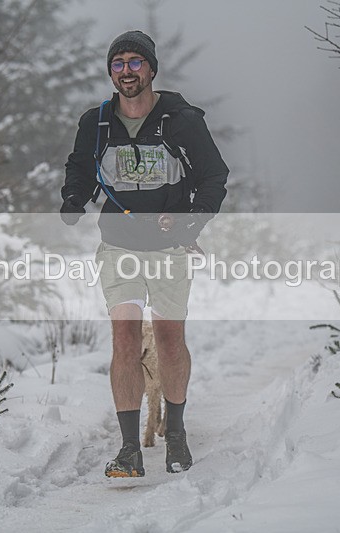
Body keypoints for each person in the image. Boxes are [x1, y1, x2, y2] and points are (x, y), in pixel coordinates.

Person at [60, 30, 229, 477]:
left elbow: (215, 177)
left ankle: (176, 433)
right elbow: (80, 167)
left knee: (170, 340)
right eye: (118, 63)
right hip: (118, 245)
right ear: (110, 72)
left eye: (136, 62)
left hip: (170, 246)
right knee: (125, 340)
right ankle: (129, 448)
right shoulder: (95, 122)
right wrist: (74, 198)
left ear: (151, 69)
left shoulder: (181, 120)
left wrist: (192, 222)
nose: (127, 71)